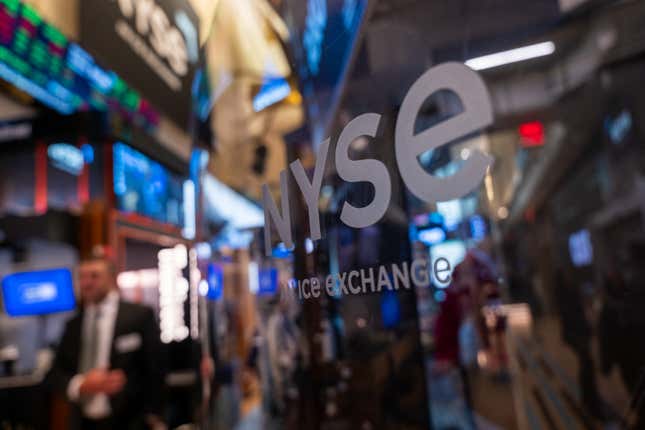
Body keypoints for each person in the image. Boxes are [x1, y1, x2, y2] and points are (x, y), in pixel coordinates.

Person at [49, 257, 167, 430]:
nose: (86, 283)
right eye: (82, 277)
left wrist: (155, 415)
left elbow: (157, 369)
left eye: (94, 276)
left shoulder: (139, 316)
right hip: (84, 422)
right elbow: (54, 374)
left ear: (111, 279)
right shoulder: (73, 324)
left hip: (129, 420)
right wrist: (81, 384)